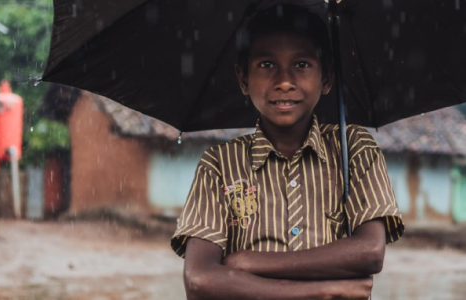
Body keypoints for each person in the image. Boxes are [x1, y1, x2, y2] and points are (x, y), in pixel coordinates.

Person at [170, 4, 404, 300]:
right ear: (243, 78)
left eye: (302, 64)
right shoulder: (219, 164)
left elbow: (370, 252)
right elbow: (199, 280)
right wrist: (321, 291)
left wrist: (249, 262)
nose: (284, 81)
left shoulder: (354, 148)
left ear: (328, 77)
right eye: (267, 65)